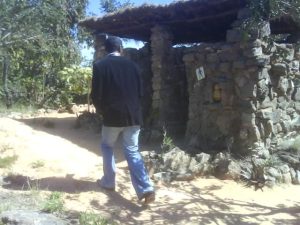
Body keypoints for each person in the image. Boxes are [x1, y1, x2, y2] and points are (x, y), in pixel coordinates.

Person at [90, 36, 155, 205]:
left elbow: (96, 95)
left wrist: (102, 111)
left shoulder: (99, 66)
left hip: (111, 116)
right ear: (121, 49)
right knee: (132, 151)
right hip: (133, 116)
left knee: (107, 146)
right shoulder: (133, 66)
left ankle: (109, 181)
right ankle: (145, 188)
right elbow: (141, 92)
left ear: (106, 50)